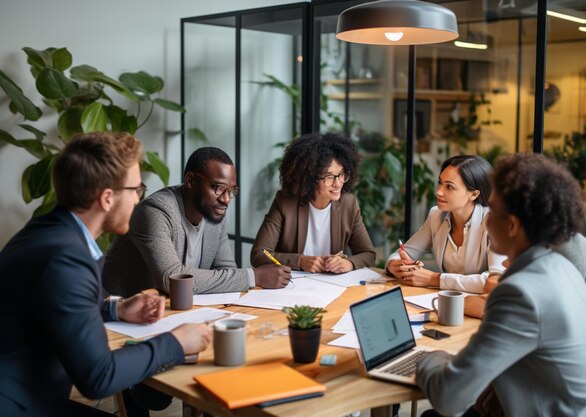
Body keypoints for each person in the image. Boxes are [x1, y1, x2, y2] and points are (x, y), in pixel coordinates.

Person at [0, 132, 212, 417]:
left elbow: (59, 305)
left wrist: (117, 308)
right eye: (136, 189)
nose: (139, 199)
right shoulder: (65, 258)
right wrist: (176, 342)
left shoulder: (51, 229)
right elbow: (98, 377)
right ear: (107, 198)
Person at [415, 153, 586, 417]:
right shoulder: (561, 267)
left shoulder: (521, 291)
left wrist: (426, 357)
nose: (485, 219)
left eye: (493, 210)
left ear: (512, 225)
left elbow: (449, 397)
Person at [102, 147, 292, 298]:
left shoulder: (212, 214)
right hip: (121, 313)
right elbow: (172, 279)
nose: (226, 199)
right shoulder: (155, 211)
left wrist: (237, 279)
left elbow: (227, 270)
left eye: (232, 191)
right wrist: (254, 276)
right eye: (218, 188)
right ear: (190, 180)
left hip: (175, 312)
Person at [465, 232, 586, 360]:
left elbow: (552, 312)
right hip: (566, 332)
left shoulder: (567, 244)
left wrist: (495, 308)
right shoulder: (534, 242)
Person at [251, 132, 375, 273]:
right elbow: (259, 254)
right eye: (329, 177)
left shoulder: (349, 204)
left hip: (334, 287)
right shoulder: (285, 203)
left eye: (341, 174)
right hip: (293, 286)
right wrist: (300, 261)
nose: (338, 183)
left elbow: (369, 254)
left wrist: (349, 263)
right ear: (309, 178)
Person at [386, 155, 505, 293]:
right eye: (440, 183)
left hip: (481, 308)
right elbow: (403, 253)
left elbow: (496, 282)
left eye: (449, 187)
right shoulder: (436, 216)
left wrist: (435, 279)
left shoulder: (495, 222)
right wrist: (395, 265)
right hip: (445, 302)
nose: (439, 192)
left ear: (474, 194)